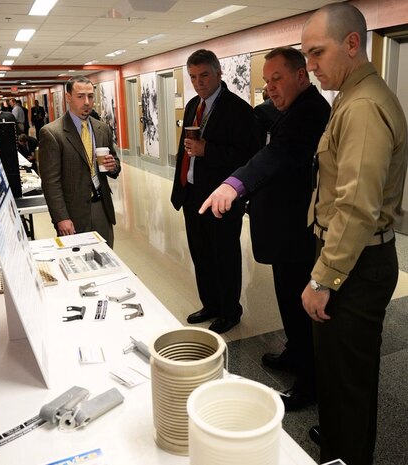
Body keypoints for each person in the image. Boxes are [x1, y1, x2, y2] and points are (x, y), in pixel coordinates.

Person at [300, 4, 407, 465]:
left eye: (317, 53)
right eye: (306, 55)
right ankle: (346, 444)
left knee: (346, 383)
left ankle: (345, 454)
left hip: (354, 265)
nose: (311, 66)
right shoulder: (351, 94)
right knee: (347, 378)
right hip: (353, 258)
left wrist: (324, 279)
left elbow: (358, 206)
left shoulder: (362, 105)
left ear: (351, 44)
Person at [199, 47, 330, 409]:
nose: (270, 87)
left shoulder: (310, 112)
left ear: (301, 75)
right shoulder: (288, 111)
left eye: (278, 78)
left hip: (297, 232)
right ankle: (294, 352)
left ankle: (309, 381)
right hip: (282, 231)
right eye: (266, 81)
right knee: (287, 300)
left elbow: (278, 155)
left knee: (301, 309)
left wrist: (234, 184)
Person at [171, 49, 259, 334]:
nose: (198, 82)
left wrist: (207, 149)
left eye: (204, 75)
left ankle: (230, 310)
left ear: (219, 73)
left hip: (222, 197)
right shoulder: (192, 106)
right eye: (193, 77)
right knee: (201, 253)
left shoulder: (239, 109)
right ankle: (210, 304)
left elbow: (248, 156)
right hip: (193, 193)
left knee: (224, 254)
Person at [39, 75, 121, 248]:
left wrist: (113, 166)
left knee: (107, 258)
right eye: (80, 96)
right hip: (72, 214)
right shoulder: (52, 133)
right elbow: (50, 182)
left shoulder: (102, 129)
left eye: (90, 96)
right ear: (68, 98)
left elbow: (114, 162)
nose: (87, 102)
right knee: (79, 263)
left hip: (101, 207)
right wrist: (61, 218)